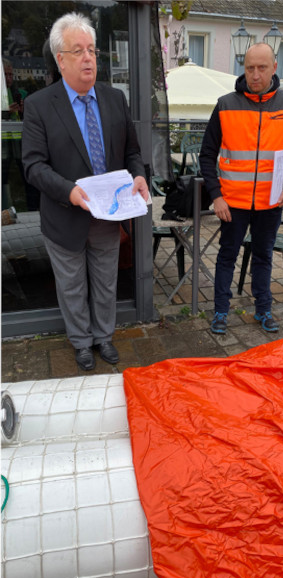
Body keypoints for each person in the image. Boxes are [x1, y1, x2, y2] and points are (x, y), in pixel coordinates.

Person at [22, 12, 149, 371]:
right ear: (60, 60)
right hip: (65, 216)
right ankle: (80, 342)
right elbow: (33, 166)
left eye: (91, 49)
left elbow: (132, 152)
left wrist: (138, 177)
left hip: (108, 215)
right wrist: (70, 192)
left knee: (106, 283)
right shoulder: (39, 106)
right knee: (73, 287)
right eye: (78, 51)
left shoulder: (114, 99)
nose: (88, 57)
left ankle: (103, 338)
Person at [199, 42, 283, 335]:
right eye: (249, 68)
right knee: (226, 257)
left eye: (261, 67)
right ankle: (221, 311)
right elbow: (206, 155)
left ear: (274, 68)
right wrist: (216, 195)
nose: (255, 74)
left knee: (263, 256)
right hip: (232, 202)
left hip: (270, 201)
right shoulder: (225, 104)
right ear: (243, 69)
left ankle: (264, 309)